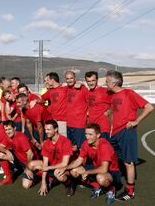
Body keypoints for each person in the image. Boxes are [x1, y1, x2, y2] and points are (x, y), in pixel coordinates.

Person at [105, 70, 154, 201]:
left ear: (115, 82)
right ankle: (113, 183)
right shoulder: (113, 95)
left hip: (126, 132)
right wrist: (108, 112)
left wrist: (136, 121)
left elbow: (149, 107)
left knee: (128, 162)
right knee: (115, 160)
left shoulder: (128, 93)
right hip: (114, 133)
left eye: (108, 81)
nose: (106, 83)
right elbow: (116, 109)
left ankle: (130, 191)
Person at [59, 123, 121, 205]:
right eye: (86, 134)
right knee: (74, 171)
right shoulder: (86, 143)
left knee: (101, 178)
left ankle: (111, 189)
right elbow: (79, 161)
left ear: (98, 135)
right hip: (97, 167)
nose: (87, 137)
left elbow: (104, 169)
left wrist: (87, 172)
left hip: (112, 172)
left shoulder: (104, 146)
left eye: (90, 134)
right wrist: (65, 168)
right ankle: (98, 187)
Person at [27, 120, 73, 196]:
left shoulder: (66, 141)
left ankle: (69, 184)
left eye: (48, 129)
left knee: (58, 174)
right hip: (52, 166)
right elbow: (45, 164)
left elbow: (65, 164)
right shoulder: (46, 143)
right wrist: (43, 182)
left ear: (56, 129)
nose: (46, 132)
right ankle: (50, 179)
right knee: (31, 164)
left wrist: (48, 168)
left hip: (65, 168)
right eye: (45, 129)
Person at [0, 120, 37, 187]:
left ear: (15, 128)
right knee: (1, 154)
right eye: (6, 129)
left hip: (30, 162)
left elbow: (30, 154)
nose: (8, 131)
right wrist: (7, 151)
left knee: (26, 185)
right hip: (19, 160)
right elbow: (0, 146)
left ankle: (35, 176)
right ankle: (8, 178)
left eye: (9, 129)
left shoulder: (21, 138)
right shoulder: (7, 135)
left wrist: (28, 168)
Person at [65, 71, 88, 151]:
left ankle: (85, 164)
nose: (69, 80)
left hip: (79, 125)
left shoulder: (82, 89)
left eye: (71, 78)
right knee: (72, 148)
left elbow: (91, 103)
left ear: (75, 78)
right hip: (69, 124)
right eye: (67, 79)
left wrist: (82, 84)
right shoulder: (67, 89)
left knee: (82, 148)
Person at [85, 71, 111, 140]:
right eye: (89, 81)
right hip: (92, 128)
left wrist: (110, 111)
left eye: (93, 80)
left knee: (104, 149)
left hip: (103, 128)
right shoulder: (87, 93)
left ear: (97, 80)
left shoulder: (105, 91)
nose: (91, 83)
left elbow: (116, 100)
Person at [41, 72, 68, 137]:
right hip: (53, 120)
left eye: (48, 80)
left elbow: (76, 85)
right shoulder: (50, 91)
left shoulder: (64, 88)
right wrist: (34, 100)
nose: (47, 82)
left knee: (63, 139)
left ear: (52, 80)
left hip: (63, 121)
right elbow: (41, 97)